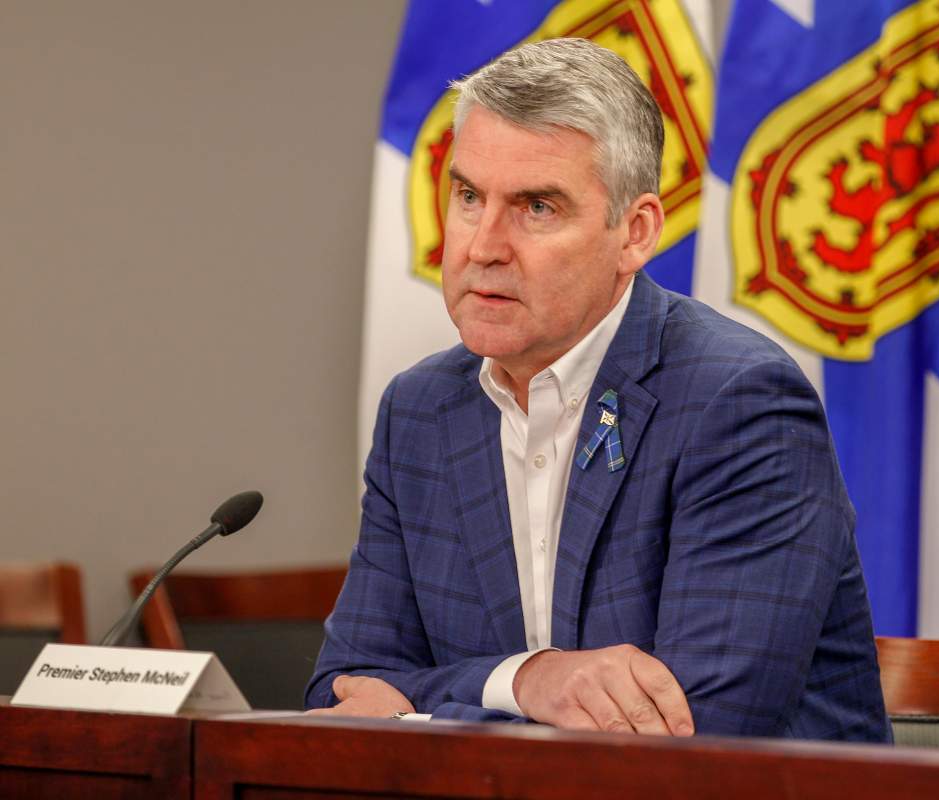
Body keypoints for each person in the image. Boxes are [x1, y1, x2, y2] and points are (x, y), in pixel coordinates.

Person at [305, 37, 891, 741]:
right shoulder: (422, 411)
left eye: (537, 208)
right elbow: (346, 689)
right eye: (468, 196)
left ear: (634, 233)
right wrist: (529, 681)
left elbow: (697, 733)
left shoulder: (738, 402)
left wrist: (432, 702)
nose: (482, 245)